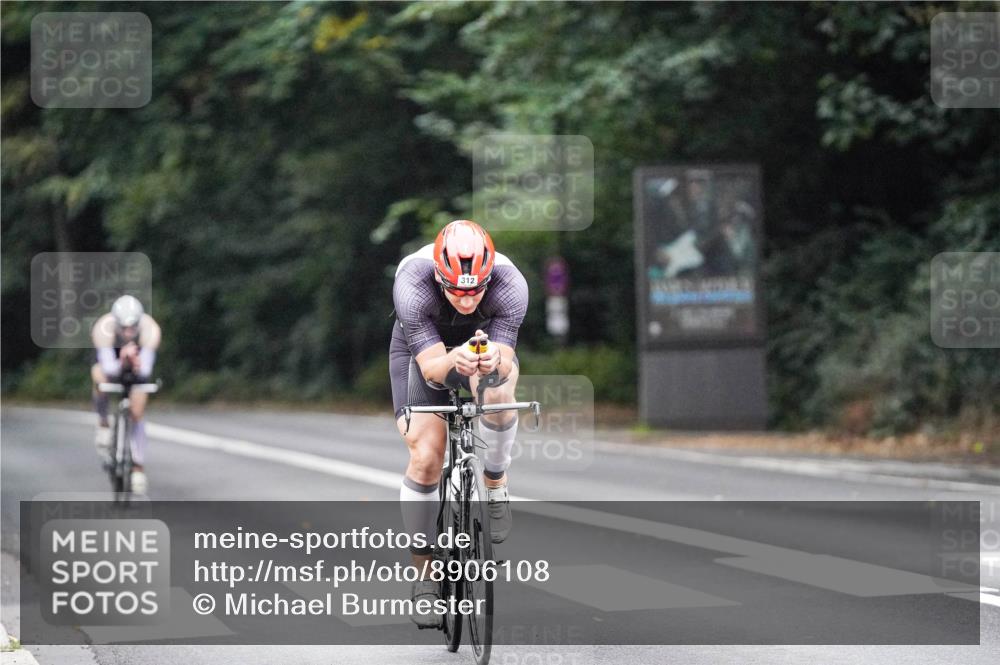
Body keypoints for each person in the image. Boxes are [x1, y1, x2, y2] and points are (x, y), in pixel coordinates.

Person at [391, 220, 528, 627]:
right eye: (456, 291)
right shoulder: (413, 285)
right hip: (424, 351)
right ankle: (425, 576)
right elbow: (433, 369)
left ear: (489, 278)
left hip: (483, 343)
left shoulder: (510, 285)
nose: (467, 300)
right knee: (426, 457)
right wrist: (454, 358)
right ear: (438, 277)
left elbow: (504, 361)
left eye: (476, 290)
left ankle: (495, 482)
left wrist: (492, 361)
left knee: (498, 392)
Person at [90, 295, 161, 495]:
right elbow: (107, 367)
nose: (129, 332)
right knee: (98, 377)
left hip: (137, 366)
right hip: (112, 362)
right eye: (124, 328)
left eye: (133, 327)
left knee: (137, 412)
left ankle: (138, 467)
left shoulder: (150, 330)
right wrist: (122, 360)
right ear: (116, 324)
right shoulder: (103, 329)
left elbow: (145, 370)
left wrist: (134, 362)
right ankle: (103, 423)